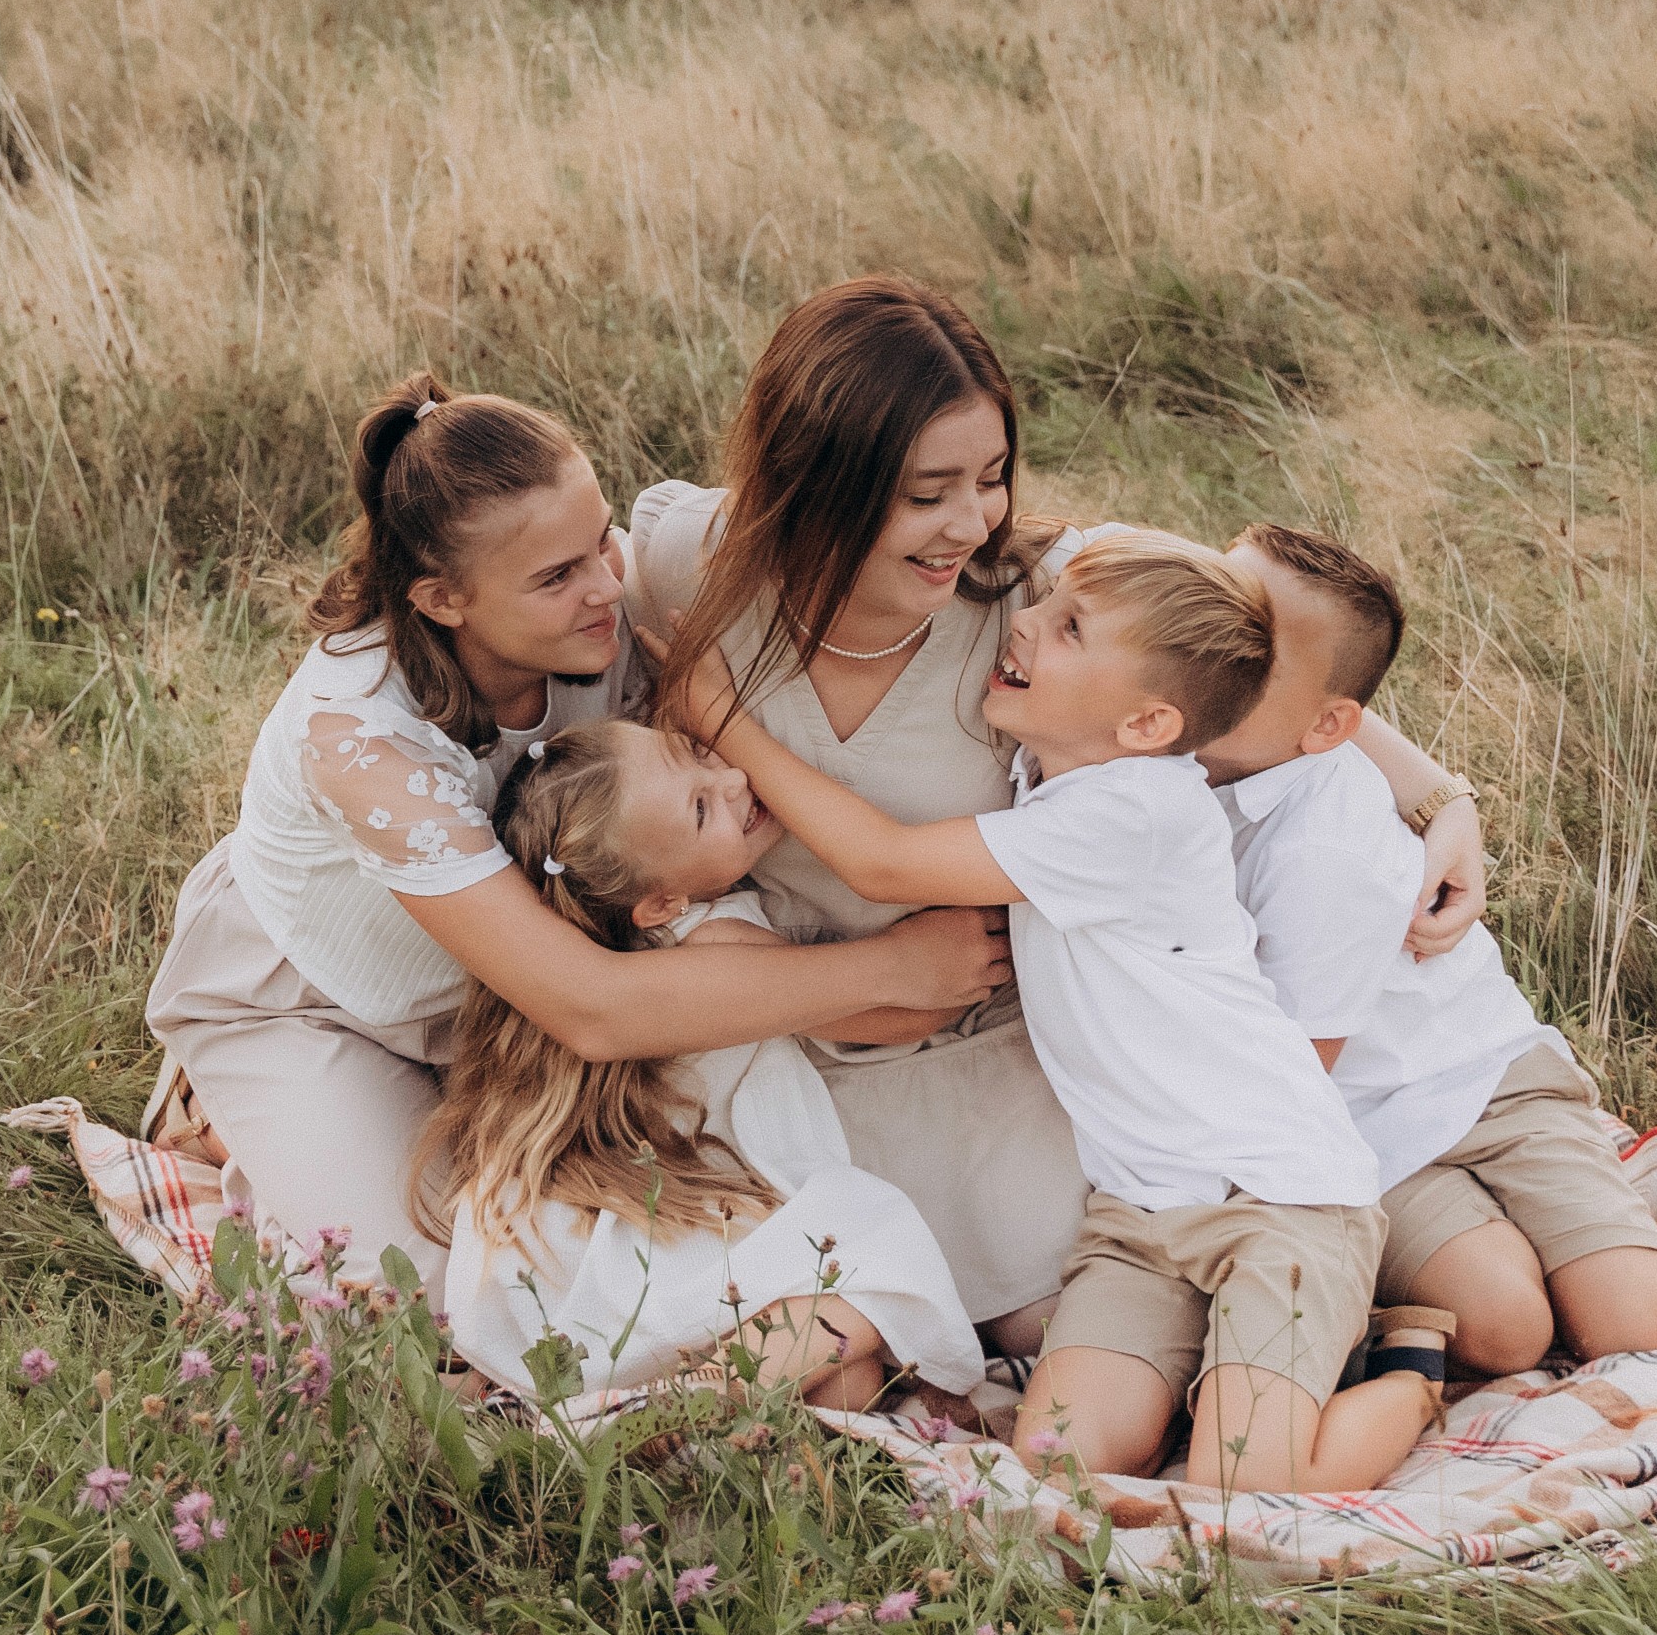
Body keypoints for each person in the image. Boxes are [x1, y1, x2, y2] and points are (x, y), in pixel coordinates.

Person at [620, 274, 1500, 1335]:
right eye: (927, 491)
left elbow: (1257, 662)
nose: (970, 520)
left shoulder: (1042, 597)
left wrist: (1437, 792)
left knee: (1083, 1323)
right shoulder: (695, 572)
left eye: (990, 477)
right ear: (819, 481)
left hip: (994, 1038)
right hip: (783, 1024)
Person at [136, 373, 1013, 1311]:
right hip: (320, 995)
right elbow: (593, 1006)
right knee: (431, 1301)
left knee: (667, 1251)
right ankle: (220, 1103)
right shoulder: (358, 733)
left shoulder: (611, 602)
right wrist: (892, 969)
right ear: (441, 598)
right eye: (557, 577)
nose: (606, 586)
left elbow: (810, 521)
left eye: (600, 540)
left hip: (515, 1013)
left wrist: (1016, 547)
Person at [708, 532, 1412, 1499]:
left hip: (1279, 1198)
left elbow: (880, 862)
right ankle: (1258, 1375)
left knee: (1245, 1479)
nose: (1025, 622)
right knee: (1054, 1462)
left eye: (1068, 627)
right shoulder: (1059, 775)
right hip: (1140, 1213)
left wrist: (720, 716)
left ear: (1147, 724)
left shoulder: (1136, 815)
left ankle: (1414, 1374)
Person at [1204, 522, 1657, 1380]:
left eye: (1255, 654)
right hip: (1363, 1128)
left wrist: (1446, 800)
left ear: (1328, 722)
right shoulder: (1150, 737)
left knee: (1648, 1326)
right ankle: (1539, 1239)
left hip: (1484, 1073)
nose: (1214, 649)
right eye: (1211, 613)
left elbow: (1292, 1067)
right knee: (1503, 1331)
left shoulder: (1324, 830)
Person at [414, 721, 990, 1413]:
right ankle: (679, 1407)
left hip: (586, 1261)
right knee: (872, 1278)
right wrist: (958, 950)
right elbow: (893, 1013)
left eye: (697, 756)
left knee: (849, 1379)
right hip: (662, 1252)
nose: (734, 781)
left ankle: (676, 1423)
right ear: (661, 903)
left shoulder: (599, 961)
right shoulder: (717, 943)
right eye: (700, 809)